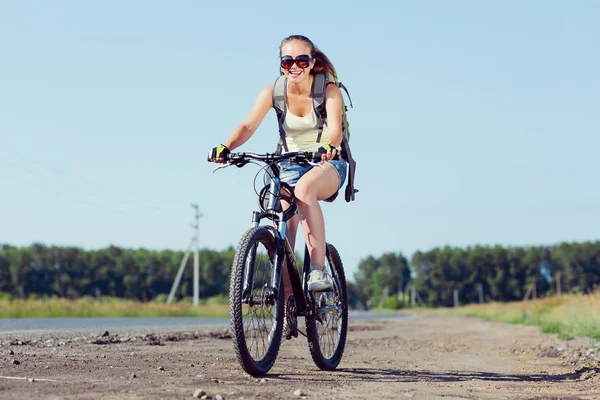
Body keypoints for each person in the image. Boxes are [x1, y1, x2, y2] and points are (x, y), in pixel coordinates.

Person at [208, 34, 347, 291]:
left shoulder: (328, 90)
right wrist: (226, 146)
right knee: (278, 224)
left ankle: (318, 271)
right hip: (288, 165)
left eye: (302, 61)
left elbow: (335, 130)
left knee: (305, 191)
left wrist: (330, 146)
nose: (294, 66)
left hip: (327, 163)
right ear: (281, 64)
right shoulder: (274, 92)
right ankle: (286, 297)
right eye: (287, 61)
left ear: (312, 62)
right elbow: (248, 126)